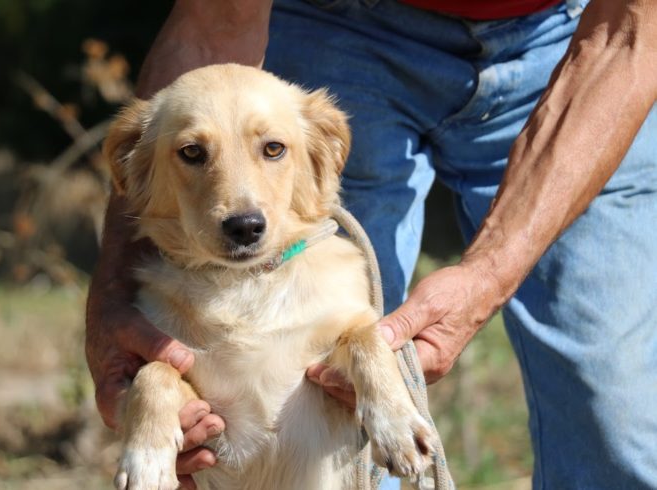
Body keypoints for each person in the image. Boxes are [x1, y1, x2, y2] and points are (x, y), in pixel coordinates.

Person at [85, 0, 657, 488]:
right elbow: (216, 18)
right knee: (357, 421)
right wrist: (113, 287)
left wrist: (487, 276)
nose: (241, 208)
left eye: (273, 150)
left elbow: (632, 36)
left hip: (585, 35)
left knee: (616, 403)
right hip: (340, 25)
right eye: (193, 153)